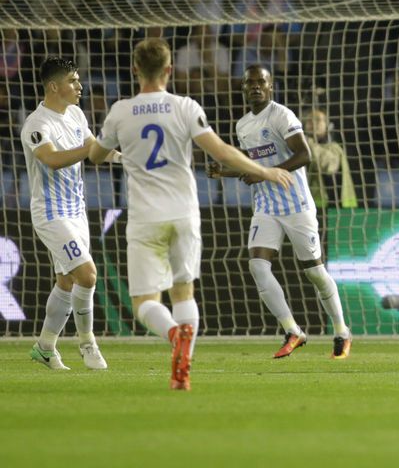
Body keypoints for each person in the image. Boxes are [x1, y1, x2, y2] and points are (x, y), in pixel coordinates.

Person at [88, 39, 293, 390]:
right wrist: (266, 171)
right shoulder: (185, 106)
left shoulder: (119, 111)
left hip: (144, 217)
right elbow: (222, 151)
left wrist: (115, 151)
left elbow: (94, 156)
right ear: (170, 70)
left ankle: (173, 334)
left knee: (144, 303)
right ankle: (181, 374)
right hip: (183, 212)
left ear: (135, 69)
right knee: (184, 293)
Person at [207, 65, 353, 360]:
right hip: (266, 207)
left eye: (261, 82)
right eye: (250, 83)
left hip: (297, 205)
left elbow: (304, 155)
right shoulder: (243, 125)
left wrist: (265, 173)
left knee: (315, 272)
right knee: (257, 266)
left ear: (270, 86)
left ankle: (341, 330)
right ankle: (292, 330)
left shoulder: (281, 115)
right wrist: (225, 171)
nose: (255, 86)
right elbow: (253, 166)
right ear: (243, 88)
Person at [21, 57, 118, 371]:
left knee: (65, 281)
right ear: (54, 86)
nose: (80, 86)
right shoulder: (37, 124)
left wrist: (126, 158)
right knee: (87, 275)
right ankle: (88, 342)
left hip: (77, 211)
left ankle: (45, 346)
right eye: (73, 81)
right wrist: (93, 150)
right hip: (50, 214)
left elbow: (96, 151)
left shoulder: (76, 114)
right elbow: (51, 159)